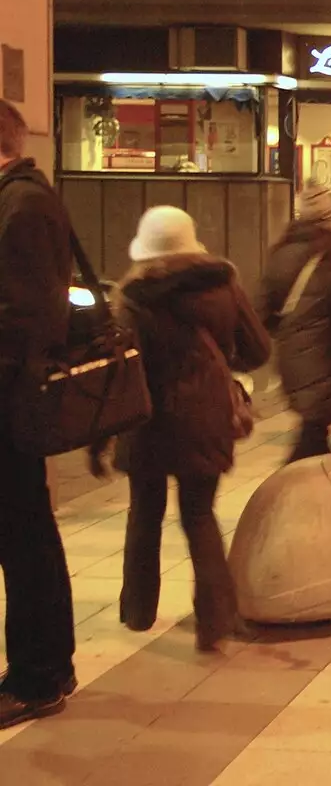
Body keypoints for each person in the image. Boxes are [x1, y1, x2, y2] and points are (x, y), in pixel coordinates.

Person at [100, 207, 271, 652]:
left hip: (146, 418)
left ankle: (138, 612)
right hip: (205, 416)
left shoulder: (132, 298)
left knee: (144, 513)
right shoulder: (222, 285)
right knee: (199, 514)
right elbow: (257, 349)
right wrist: (217, 364)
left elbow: (119, 370)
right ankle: (215, 620)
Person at [0, 100, 79, 728]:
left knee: (24, 537)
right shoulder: (19, 200)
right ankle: (42, 666)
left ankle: (40, 673)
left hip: (11, 402)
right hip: (11, 395)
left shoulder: (21, 206)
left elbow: (30, 317)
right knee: (24, 535)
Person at [257, 184, 331, 464]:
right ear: (329, 219)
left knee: (314, 430)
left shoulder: (280, 252)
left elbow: (260, 309)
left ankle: (314, 489)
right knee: (312, 436)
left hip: (292, 355)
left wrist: (290, 334)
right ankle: (289, 494)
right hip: (328, 355)